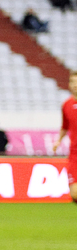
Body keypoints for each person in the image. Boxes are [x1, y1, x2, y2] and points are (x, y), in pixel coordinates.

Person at [52, 70, 77, 203]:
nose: (75, 85)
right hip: (74, 153)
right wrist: (58, 141)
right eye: (73, 82)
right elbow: (65, 126)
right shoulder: (66, 105)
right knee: (74, 193)